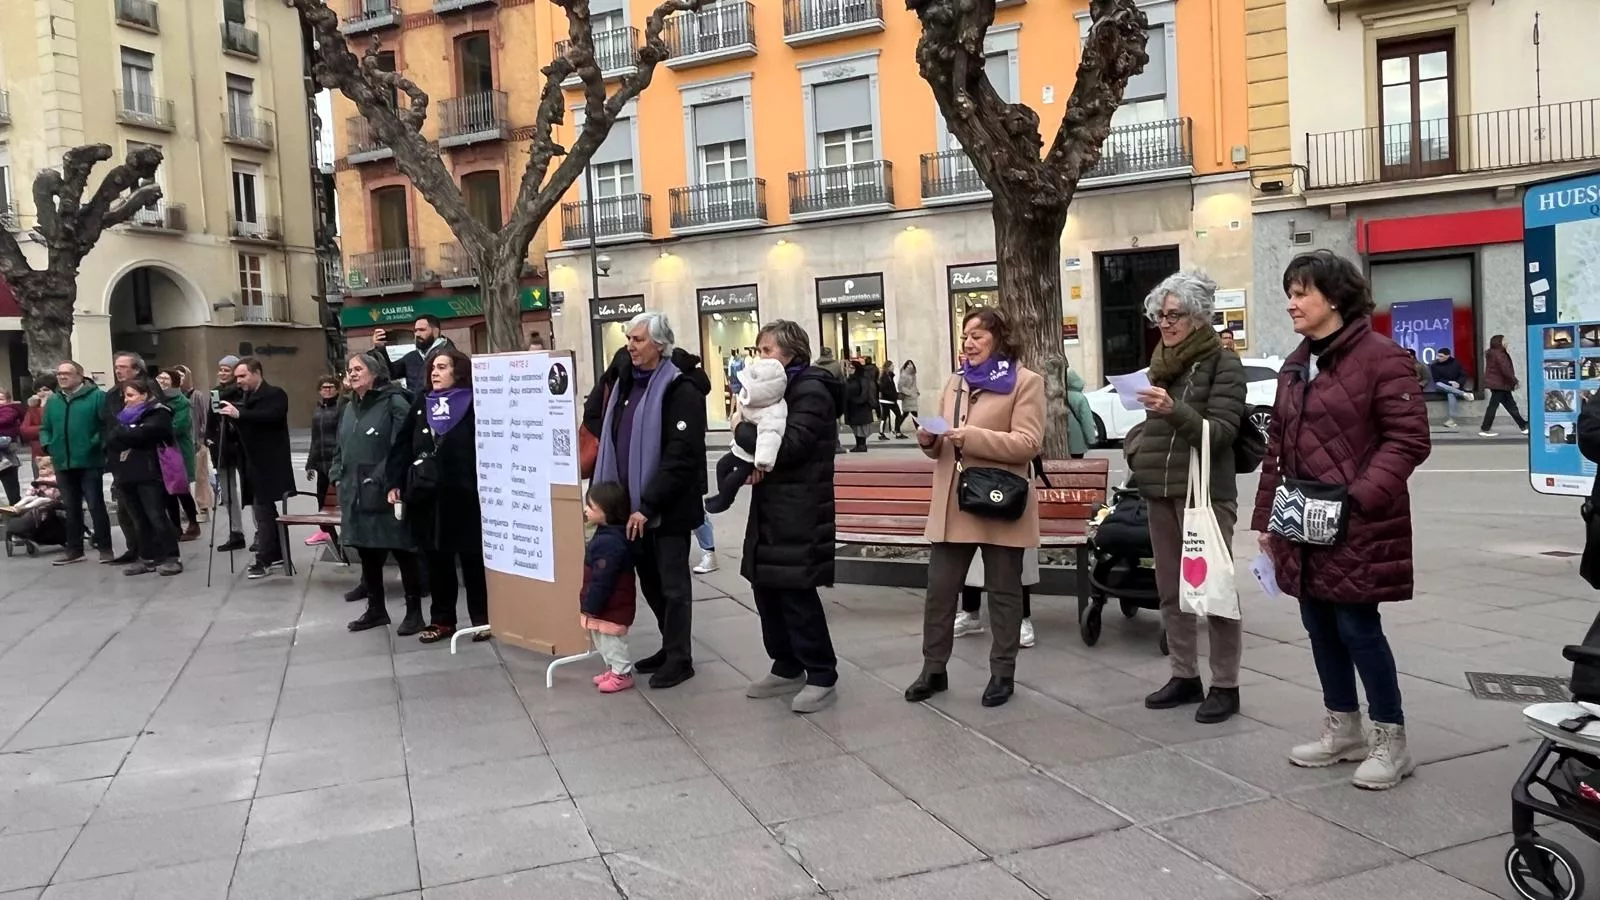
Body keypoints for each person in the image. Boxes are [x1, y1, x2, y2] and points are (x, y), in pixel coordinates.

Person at [1254, 249, 1430, 790]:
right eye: (1289, 293)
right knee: (1318, 623)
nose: (1292, 303)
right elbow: (1276, 447)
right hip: (1302, 519)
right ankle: (1343, 727)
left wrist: (1357, 499)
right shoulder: (1295, 364)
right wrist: (1266, 519)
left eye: (1301, 292)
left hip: (1357, 520)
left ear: (1334, 298)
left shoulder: (1382, 357)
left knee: (1357, 626)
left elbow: (1408, 440)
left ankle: (1390, 739)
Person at [906, 308, 1045, 709]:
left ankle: (1003, 673)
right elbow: (942, 446)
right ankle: (933, 669)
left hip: (999, 502)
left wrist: (972, 436)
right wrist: (929, 440)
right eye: (965, 336)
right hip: (954, 505)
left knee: (1004, 592)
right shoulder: (956, 381)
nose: (968, 343)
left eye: (977, 336)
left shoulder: (1025, 381)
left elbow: (1028, 443)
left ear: (1000, 339)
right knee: (939, 590)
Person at [1129, 270, 1248, 723]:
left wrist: (1172, 409)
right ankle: (1184, 674)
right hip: (1161, 491)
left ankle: (1226, 685)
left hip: (1205, 495)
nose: (1165, 323)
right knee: (1170, 591)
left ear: (1198, 317)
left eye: (1174, 314)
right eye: (1160, 315)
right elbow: (1158, 428)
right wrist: (1138, 445)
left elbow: (1221, 434)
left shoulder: (1223, 363)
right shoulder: (1161, 363)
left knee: (1214, 592)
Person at [592, 311, 710, 689]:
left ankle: (680, 658)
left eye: (639, 339)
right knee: (651, 583)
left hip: (666, 508)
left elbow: (681, 455)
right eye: (628, 339)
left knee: (673, 586)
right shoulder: (627, 383)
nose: (631, 346)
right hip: (631, 508)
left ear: (660, 345)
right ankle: (668, 645)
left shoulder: (681, 388)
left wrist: (649, 505)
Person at [737, 320, 843, 712]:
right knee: (765, 586)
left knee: (795, 591)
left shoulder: (811, 390)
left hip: (801, 508)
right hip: (771, 506)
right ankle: (785, 664)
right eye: (758, 350)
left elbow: (791, 446)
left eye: (767, 350)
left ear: (791, 353)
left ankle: (821, 673)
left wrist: (742, 430)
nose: (759, 358)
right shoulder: (776, 390)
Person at [396, 350, 490, 644]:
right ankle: (442, 620)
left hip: (466, 494)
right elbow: (402, 444)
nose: (434, 373)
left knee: (473, 560)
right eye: (433, 368)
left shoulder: (475, 402)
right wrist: (394, 482)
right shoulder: (422, 402)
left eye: (442, 367)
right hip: (428, 496)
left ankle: (482, 619)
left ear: (458, 372)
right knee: (437, 560)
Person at [330, 352, 423, 631]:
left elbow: (402, 446)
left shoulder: (394, 402)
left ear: (374, 373)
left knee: (402, 550)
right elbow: (340, 447)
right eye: (350, 369)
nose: (352, 373)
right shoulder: (349, 407)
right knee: (367, 552)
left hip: (386, 491)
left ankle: (414, 613)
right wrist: (336, 474)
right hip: (355, 492)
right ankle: (376, 609)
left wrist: (382, 477)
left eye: (358, 369)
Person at [217, 357, 295, 579]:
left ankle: (266, 557)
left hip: (270, 463)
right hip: (250, 462)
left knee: (263, 512)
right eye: (236, 377)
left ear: (257, 373)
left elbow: (271, 416)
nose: (238, 381)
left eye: (243, 376)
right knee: (265, 511)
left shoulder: (275, 394)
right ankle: (276, 554)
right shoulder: (244, 396)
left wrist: (239, 414)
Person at [106, 377, 183, 576]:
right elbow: (112, 439)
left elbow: (146, 434)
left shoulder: (159, 412)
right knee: (138, 518)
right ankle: (148, 557)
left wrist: (128, 433)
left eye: (130, 395)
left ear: (145, 395)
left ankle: (171, 557)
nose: (126, 400)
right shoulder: (123, 417)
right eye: (125, 396)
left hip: (150, 472)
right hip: (126, 473)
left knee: (156, 515)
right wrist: (128, 432)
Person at [40, 362, 115, 564]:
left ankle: (105, 547)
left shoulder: (97, 397)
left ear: (80, 376)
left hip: (89, 460)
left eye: (67, 373)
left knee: (95, 505)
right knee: (70, 507)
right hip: (62, 461)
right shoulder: (54, 401)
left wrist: (94, 443)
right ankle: (74, 549)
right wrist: (48, 445)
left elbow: (106, 425)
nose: (62, 377)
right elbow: (45, 428)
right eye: (59, 374)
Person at [705, 356, 788, 515]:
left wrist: (763, 460)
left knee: (734, 479)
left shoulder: (774, 410)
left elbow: (770, 435)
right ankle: (724, 495)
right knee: (721, 466)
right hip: (741, 448)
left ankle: (724, 500)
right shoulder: (751, 401)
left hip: (752, 456)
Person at [581, 481, 637, 693]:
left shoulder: (609, 542)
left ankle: (621, 673)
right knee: (601, 637)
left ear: (607, 511)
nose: (586, 509)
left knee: (612, 641)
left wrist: (591, 604)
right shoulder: (606, 534)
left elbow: (603, 579)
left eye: (591, 506)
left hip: (611, 604)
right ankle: (614, 669)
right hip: (607, 604)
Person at [103, 352, 150, 564]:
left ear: (137, 369)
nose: (118, 371)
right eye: (116, 367)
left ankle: (155, 550)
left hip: (144, 457)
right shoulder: (113, 394)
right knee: (124, 507)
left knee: (149, 508)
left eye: (123, 367)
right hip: (118, 457)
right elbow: (108, 423)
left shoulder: (148, 389)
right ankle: (134, 547)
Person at [154, 369, 201, 542]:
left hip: (177, 450)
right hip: (161, 451)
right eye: (159, 378)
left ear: (174, 382)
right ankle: (175, 527)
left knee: (180, 489)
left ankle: (193, 523)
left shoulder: (182, 402)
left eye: (165, 378)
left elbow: (179, 426)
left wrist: (154, 430)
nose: (161, 381)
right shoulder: (155, 400)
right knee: (167, 491)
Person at [207, 355, 247, 552]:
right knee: (228, 492)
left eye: (226, 370)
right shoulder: (215, 393)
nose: (222, 373)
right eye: (220, 369)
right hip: (221, 446)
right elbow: (211, 419)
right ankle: (235, 532)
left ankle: (260, 532)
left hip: (240, 446)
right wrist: (209, 438)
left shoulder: (242, 391)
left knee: (250, 490)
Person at [304, 375, 343, 547]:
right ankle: (325, 531)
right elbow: (315, 439)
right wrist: (310, 463)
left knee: (338, 500)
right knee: (321, 499)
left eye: (330, 387)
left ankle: (345, 532)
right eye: (324, 387)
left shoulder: (341, 408)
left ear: (337, 389)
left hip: (335, 461)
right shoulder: (318, 410)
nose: (327, 390)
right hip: (321, 462)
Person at [373, 314, 454, 392]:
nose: (417, 334)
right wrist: (381, 349)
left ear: (435, 332)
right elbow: (391, 373)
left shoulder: (450, 354)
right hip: (415, 401)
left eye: (422, 330)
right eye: (415, 331)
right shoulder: (412, 356)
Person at [1480, 334, 1530, 437]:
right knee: (1494, 406)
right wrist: (1514, 381)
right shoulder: (1499, 354)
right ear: (1499, 342)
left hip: (1498, 384)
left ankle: (1523, 425)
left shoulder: (1493, 353)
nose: (1507, 342)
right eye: (1504, 341)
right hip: (1500, 384)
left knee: (1510, 405)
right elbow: (1505, 370)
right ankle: (1485, 429)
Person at [1428, 347, 1474, 428]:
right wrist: (1449, 382)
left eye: (1441, 356)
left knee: (1451, 394)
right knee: (1438, 384)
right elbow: (1437, 379)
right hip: (1442, 386)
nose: (1438, 358)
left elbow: (1463, 375)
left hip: (1455, 387)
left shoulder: (1456, 363)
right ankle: (1464, 394)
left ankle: (1452, 420)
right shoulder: (1434, 365)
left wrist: (1458, 383)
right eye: (1437, 355)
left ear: (1448, 356)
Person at [19, 379, 53, 479]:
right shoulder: (33, 408)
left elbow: (54, 426)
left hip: (55, 454)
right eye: (38, 391)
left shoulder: (58, 406)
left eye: (46, 390)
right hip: (38, 455)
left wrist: (44, 406)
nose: (42, 393)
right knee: (40, 484)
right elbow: (24, 431)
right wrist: (44, 429)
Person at [842, 360, 875, 452]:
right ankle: (859, 445)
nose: (849, 369)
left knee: (861, 427)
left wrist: (856, 401)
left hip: (860, 407)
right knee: (855, 427)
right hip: (852, 408)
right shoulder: (849, 379)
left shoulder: (862, 379)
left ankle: (862, 445)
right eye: (848, 367)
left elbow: (865, 394)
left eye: (852, 367)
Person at [817, 346, 846, 454]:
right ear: (830, 354)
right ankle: (836, 444)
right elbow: (841, 382)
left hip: (819, 396)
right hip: (832, 396)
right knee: (834, 422)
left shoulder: (815, 365)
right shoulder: (836, 365)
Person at [1065, 360, 1095, 459]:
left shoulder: (1059, 396)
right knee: (1077, 463)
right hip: (1077, 441)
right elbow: (1086, 420)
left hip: (1062, 443)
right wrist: (1091, 439)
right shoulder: (1080, 398)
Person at [0, 389, 21, 504]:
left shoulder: (10, 410)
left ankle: (16, 509)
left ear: (8, 400)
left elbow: (5, 420)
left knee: (12, 492)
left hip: (8, 456)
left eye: (1, 399)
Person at [876, 359, 900, 441]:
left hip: (889, 400)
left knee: (887, 416)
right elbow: (883, 389)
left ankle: (884, 433)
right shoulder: (884, 377)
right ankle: (895, 432)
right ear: (888, 367)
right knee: (894, 415)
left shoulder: (890, 376)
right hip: (887, 400)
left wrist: (895, 394)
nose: (893, 367)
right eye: (892, 366)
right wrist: (893, 395)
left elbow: (891, 388)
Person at [896, 360, 919, 436]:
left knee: (907, 414)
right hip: (907, 397)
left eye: (911, 364)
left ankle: (897, 428)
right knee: (913, 414)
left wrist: (916, 391)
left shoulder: (913, 374)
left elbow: (914, 385)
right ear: (906, 366)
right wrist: (909, 392)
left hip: (913, 397)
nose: (910, 366)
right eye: (908, 364)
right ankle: (919, 429)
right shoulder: (904, 375)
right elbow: (900, 386)